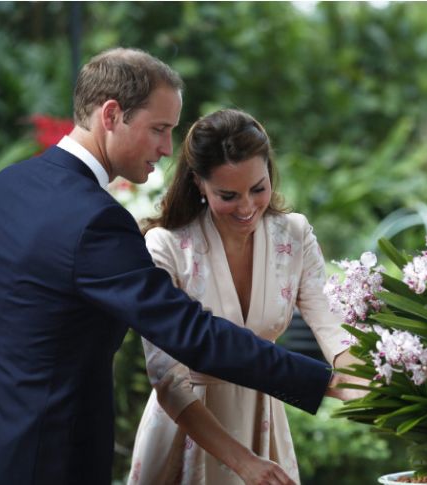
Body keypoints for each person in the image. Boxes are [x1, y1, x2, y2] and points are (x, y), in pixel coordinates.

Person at [0, 47, 363, 485]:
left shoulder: (6, 186)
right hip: (52, 457)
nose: (166, 148)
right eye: (159, 129)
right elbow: (192, 335)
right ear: (111, 115)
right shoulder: (95, 220)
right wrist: (323, 382)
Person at [126, 109, 365, 485]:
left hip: (263, 422)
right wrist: (244, 462)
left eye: (258, 188)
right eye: (228, 195)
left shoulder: (294, 235)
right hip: (189, 427)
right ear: (198, 184)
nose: (247, 207)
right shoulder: (166, 246)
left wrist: (369, 389)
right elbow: (167, 378)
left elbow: (333, 327)